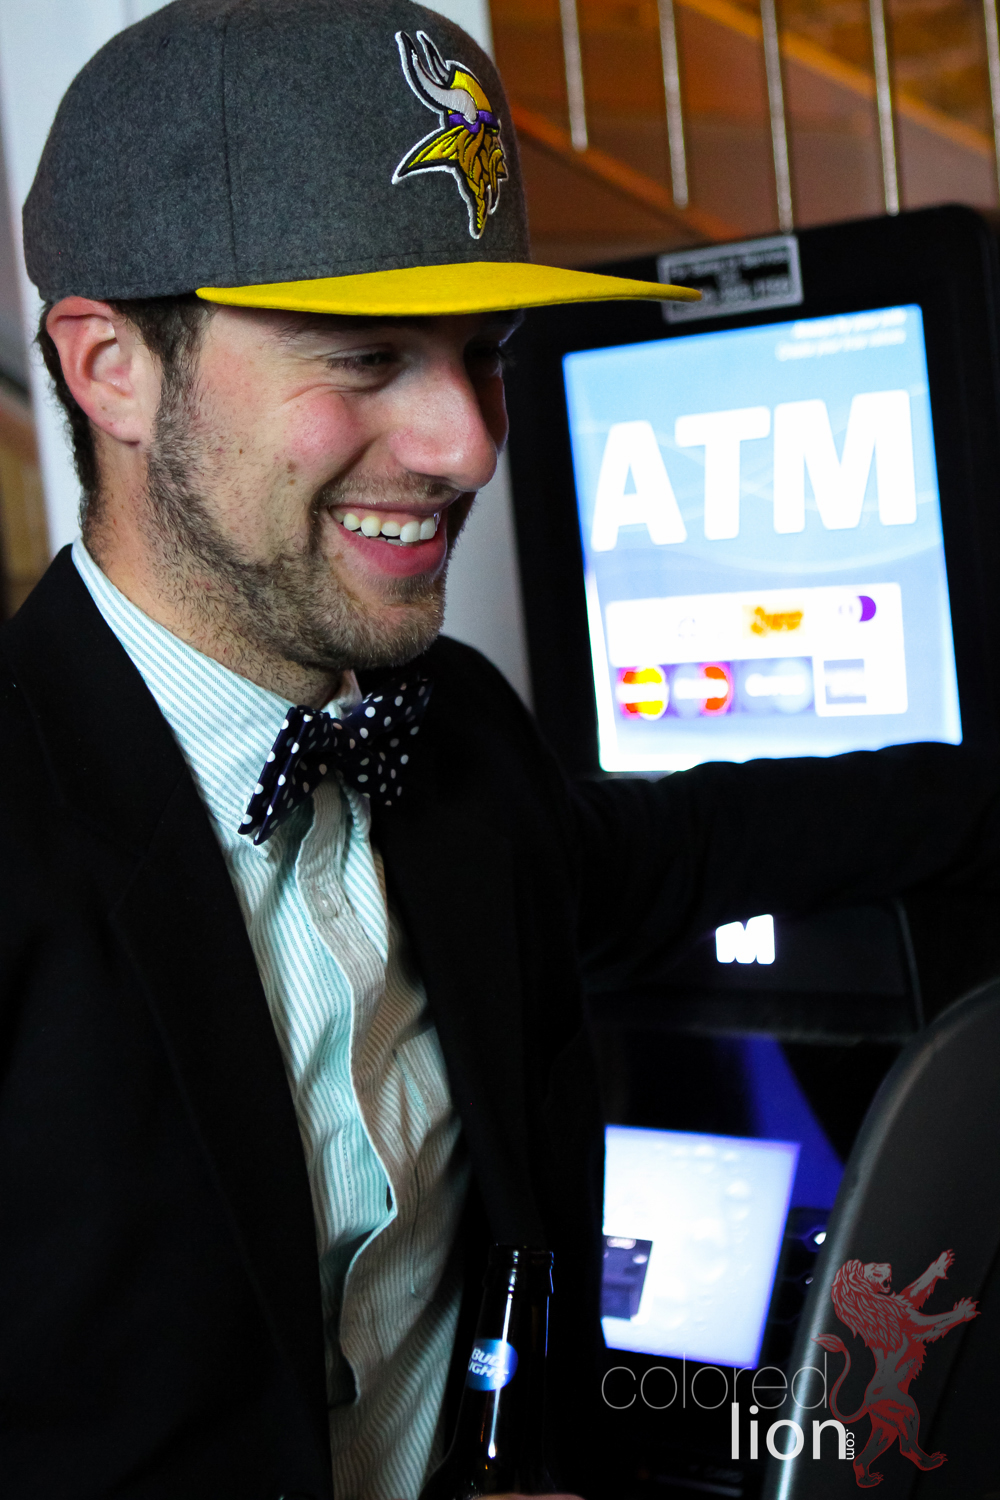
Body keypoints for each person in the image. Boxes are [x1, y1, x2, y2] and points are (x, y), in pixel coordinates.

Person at [3, 1, 996, 1498]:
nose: (468, 443)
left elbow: (704, 844)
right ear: (111, 369)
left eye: (485, 355)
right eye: (365, 356)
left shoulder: (456, 737)